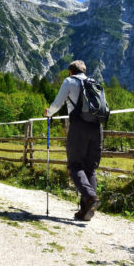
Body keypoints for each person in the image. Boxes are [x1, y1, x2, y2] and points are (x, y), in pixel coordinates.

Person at [44, 60, 102, 221]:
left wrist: (48, 113)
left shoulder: (70, 81)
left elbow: (58, 103)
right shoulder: (94, 83)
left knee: (75, 165)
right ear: (83, 71)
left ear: (71, 71)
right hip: (97, 128)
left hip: (79, 127)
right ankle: (85, 211)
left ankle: (91, 197)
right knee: (90, 169)